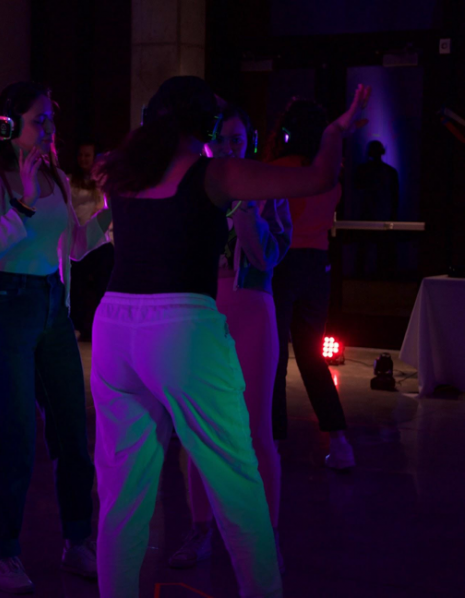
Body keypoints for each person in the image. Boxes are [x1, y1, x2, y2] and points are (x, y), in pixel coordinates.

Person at [91, 76, 370, 598]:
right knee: (238, 484)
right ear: (206, 126)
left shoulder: (123, 171)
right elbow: (317, 178)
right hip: (181, 327)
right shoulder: (214, 173)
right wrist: (335, 130)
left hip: (112, 327)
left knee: (122, 499)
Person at [0, 81, 112, 594]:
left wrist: (113, 208)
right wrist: (20, 201)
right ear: (7, 126)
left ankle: (78, 541)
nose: (49, 129)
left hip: (52, 306)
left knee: (72, 430)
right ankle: (0, 552)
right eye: (39, 120)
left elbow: (79, 246)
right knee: (16, 434)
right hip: (2, 312)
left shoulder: (56, 178)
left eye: (50, 120)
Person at [169, 104, 292, 573]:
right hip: (202, 313)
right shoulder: (194, 190)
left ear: (250, 144)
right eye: (221, 141)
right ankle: (201, 528)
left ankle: (268, 535)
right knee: (200, 429)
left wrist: (246, 212)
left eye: (237, 141)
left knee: (257, 429)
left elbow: (266, 259)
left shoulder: (263, 192)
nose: (228, 149)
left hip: (251, 310)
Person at [267, 98, 355, 470]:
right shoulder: (331, 175)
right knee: (312, 356)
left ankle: (273, 442)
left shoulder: (279, 170)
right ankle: (340, 441)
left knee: (274, 357)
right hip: (318, 265)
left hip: (283, 263)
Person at [69, 141, 113, 340]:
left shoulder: (102, 181)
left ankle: (105, 325)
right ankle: (77, 326)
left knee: (104, 285)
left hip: (99, 241)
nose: (83, 159)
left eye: (88, 155)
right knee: (76, 285)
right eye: (81, 155)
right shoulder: (69, 181)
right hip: (78, 239)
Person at [352, 140, 400, 278]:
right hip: (381, 214)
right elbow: (395, 197)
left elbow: (358, 192)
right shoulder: (390, 172)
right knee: (377, 247)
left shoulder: (364, 170)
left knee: (368, 247)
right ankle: (380, 275)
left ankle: (363, 275)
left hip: (371, 214)